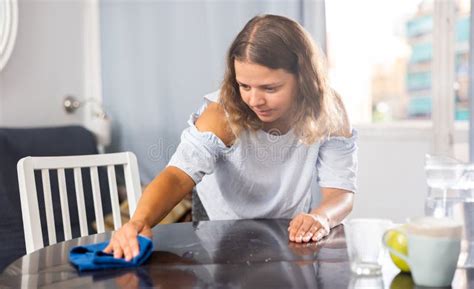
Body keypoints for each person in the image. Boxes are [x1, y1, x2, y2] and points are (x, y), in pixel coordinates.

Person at [104, 14, 357, 261]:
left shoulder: (329, 110)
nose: (255, 100)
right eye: (244, 86)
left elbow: (340, 192)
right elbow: (176, 176)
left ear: (304, 78)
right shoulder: (221, 114)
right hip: (218, 226)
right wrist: (138, 222)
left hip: (288, 229)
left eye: (270, 88)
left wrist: (321, 217)